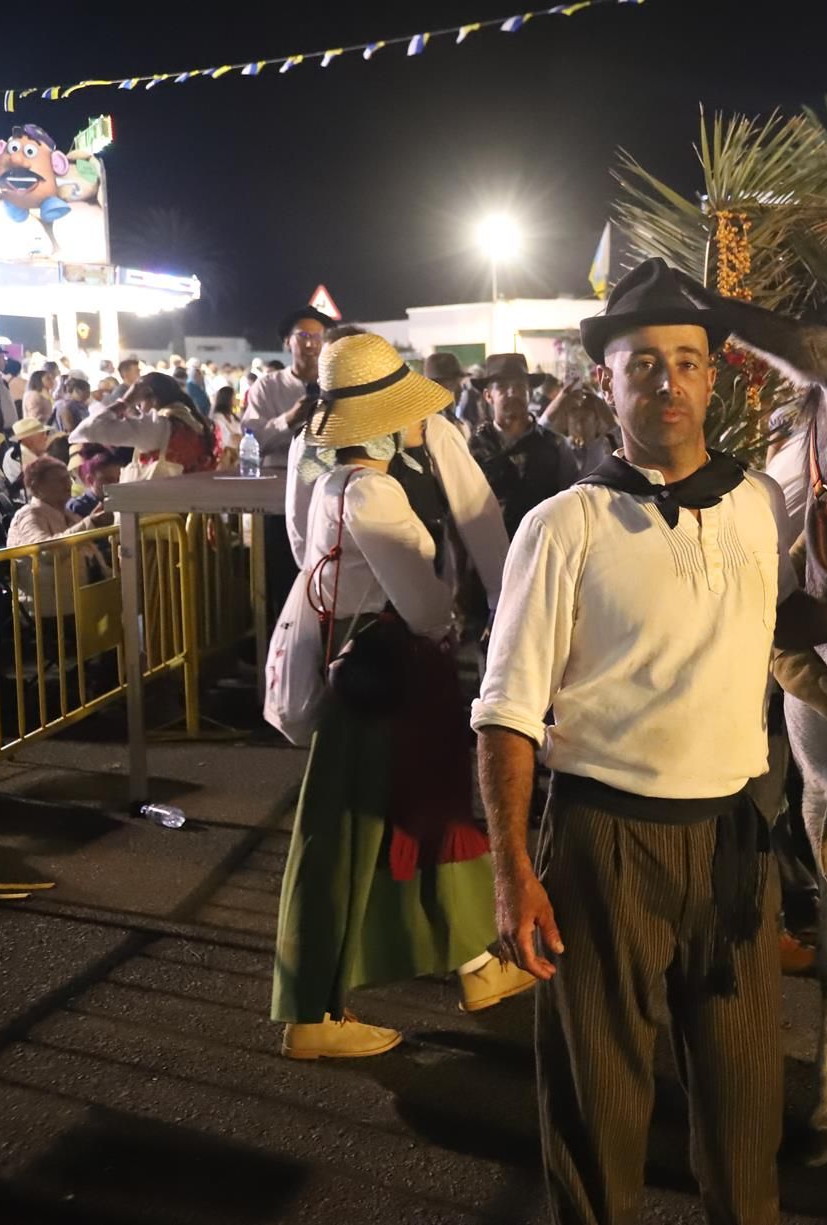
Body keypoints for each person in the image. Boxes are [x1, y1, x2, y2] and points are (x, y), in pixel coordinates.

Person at [473, 258, 827, 1225]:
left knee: (745, 1107)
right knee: (600, 1107)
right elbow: (507, 709)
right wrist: (513, 870)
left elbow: (763, 618)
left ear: (712, 376)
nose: (666, 382)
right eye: (642, 363)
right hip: (605, 843)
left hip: (732, 838)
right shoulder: (563, 524)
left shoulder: (757, 502)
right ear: (606, 381)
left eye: (685, 361)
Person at [268, 331, 532, 1062]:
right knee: (364, 834)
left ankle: (474, 963)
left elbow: (304, 551)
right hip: (389, 677)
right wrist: (455, 613)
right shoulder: (376, 492)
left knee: (413, 818)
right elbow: (425, 605)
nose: (420, 417)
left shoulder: (329, 481)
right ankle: (312, 1012)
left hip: (361, 672)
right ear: (383, 422)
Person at [286, 330, 510, 632]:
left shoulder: (430, 429)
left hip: (346, 616)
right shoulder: (351, 472)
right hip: (384, 627)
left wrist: (499, 597)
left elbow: (477, 513)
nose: (420, 411)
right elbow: (302, 531)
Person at [243, 307, 333, 604]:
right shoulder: (267, 387)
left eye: (318, 336)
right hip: (277, 497)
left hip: (326, 493)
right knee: (281, 577)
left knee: (326, 575)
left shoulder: (337, 383)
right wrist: (288, 420)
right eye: (303, 335)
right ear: (287, 342)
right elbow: (252, 442)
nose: (311, 344)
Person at [466, 353, 578, 534]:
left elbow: (571, 502)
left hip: (545, 544)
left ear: (530, 393)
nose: (512, 393)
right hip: (493, 546)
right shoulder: (473, 448)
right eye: (502, 387)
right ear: (488, 396)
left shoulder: (555, 445)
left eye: (519, 386)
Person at [4, 455, 109, 621]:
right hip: (50, 614)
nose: (68, 484)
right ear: (37, 487)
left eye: (68, 478)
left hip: (79, 605)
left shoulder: (68, 515)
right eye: (60, 480)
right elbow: (45, 552)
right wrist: (91, 523)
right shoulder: (28, 515)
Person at [69, 371, 218, 479]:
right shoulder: (194, 423)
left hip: (161, 508)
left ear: (149, 397)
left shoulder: (156, 426)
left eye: (139, 402)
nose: (139, 408)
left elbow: (87, 430)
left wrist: (125, 402)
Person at [1, 417, 64, 485]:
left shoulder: (41, 452)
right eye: (42, 434)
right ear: (28, 439)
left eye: (46, 433)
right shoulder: (13, 457)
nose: (46, 437)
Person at [211, 384, 244, 472]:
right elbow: (227, 439)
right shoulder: (217, 418)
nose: (237, 399)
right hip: (225, 456)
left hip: (236, 455)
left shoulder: (233, 417)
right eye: (234, 397)